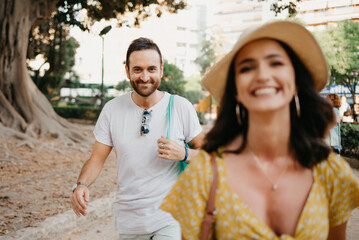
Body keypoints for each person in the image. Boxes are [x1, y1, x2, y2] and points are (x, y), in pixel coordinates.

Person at [161, 21, 359, 239]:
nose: (263, 75)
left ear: (296, 81)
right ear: (235, 89)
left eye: (275, 63)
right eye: (247, 67)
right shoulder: (204, 176)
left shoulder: (331, 172)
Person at [71, 37, 203, 239]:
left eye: (151, 69)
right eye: (138, 69)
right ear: (127, 71)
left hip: (171, 217)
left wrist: (184, 153)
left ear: (161, 70)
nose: (145, 77)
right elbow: (97, 159)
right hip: (129, 220)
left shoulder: (180, 107)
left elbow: (212, 156)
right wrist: (81, 185)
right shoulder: (112, 110)